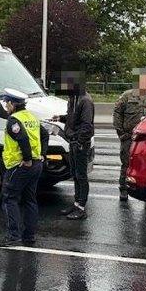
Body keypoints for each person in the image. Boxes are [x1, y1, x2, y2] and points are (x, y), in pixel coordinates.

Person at [0, 88, 42, 247]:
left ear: (12, 103)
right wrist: (41, 154)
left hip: (20, 165)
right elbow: (44, 135)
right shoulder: (32, 117)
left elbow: (22, 138)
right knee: (30, 200)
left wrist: (27, 159)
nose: (5, 105)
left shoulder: (14, 120)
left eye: (6, 102)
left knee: (10, 198)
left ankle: (13, 236)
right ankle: (29, 236)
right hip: (36, 164)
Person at [53, 73, 94, 220]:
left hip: (80, 143)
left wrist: (81, 143)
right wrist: (61, 118)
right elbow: (73, 118)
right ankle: (76, 203)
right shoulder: (73, 98)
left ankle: (81, 207)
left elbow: (86, 125)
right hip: (73, 141)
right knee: (75, 174)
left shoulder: (85, 100)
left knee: (81, 175)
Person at [113, 69, 146, 201]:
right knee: (126, 164)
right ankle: (123, 189)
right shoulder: (127, 96)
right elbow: (117, 113)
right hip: (129, 137)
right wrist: (121, 132)